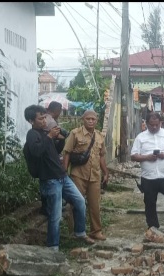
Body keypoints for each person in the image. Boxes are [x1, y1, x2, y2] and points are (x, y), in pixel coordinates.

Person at [22, 105, 90, 251]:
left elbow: (54, 151)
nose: (44, 121)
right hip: (50, 180)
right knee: (55, 215)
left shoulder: (45, 133)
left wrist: (59, 140)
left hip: (61, 176)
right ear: (31, 120)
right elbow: (36, 152)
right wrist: (49, 137)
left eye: (44, 117)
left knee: (80, 201)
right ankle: (53, 247)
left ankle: (79, 232)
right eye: (40, 118)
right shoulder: (32, 134)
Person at [62, 110, 110, 241]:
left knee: (95, 205)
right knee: (76, 204)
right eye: (88, 119)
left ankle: (96, 231)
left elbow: (101, 157)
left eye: (93, 119)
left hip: (95, 175)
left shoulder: (100, 136)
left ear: (96, 121)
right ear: (83, 119)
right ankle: (76, 231)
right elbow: (67, 153)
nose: (90, 121)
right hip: (78, 175)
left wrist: (106, 172)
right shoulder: (75, 134)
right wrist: (64, 172)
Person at [38, 101, 68, 216]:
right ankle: (49, 207)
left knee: (44, 181)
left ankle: (45, 207)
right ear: (57, 110)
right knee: (51, 182)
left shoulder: (45, 118)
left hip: (43, 154)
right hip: (49, 155)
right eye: (60, 111)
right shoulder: (50, 120)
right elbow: (59, 135)